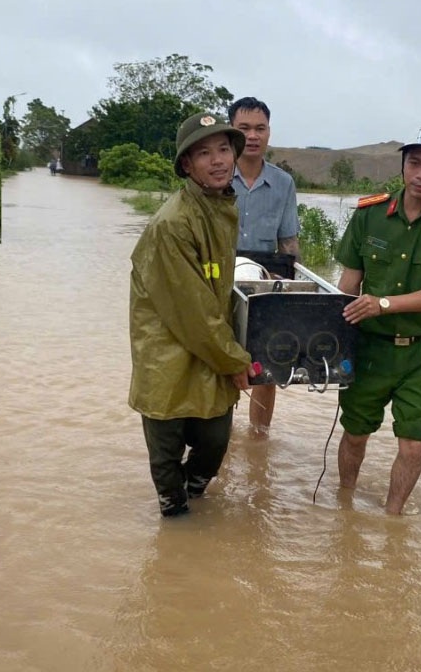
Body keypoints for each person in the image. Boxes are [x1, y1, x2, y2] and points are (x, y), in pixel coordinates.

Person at [333, 123, 421, 515]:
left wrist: (383, 304)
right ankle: (344, 505)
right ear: (402, 165)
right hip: (369, 350)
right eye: (414, 163)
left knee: (414, 442)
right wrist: (330, 336)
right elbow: (349, 284)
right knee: (356, 433)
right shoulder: (370, 213)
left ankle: (393, 519)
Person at [128, 111, 256, 517]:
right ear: (187, 164)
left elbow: (218, 298)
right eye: (205, 153)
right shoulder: (172, 223)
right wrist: (236, 360)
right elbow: (194, 312)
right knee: (169, 480)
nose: (218, 160)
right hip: (167, 358)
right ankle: (177, 551)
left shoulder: (221, 209)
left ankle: (194, 510)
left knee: (214, 444)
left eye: (224, 150)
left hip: (209, 351)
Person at [228, 96, 300, 430]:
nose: (253, 136)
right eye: (244, 128)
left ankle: (259, 439)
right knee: (220, 359)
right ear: (232, 131)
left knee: (267, 364)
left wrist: (290, 291)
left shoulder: (284, 183)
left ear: (269, 132)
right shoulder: (215, 175)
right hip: (219, 274)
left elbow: (288, 244)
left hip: (265, 278)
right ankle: (219, 442)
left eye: (260, 128)